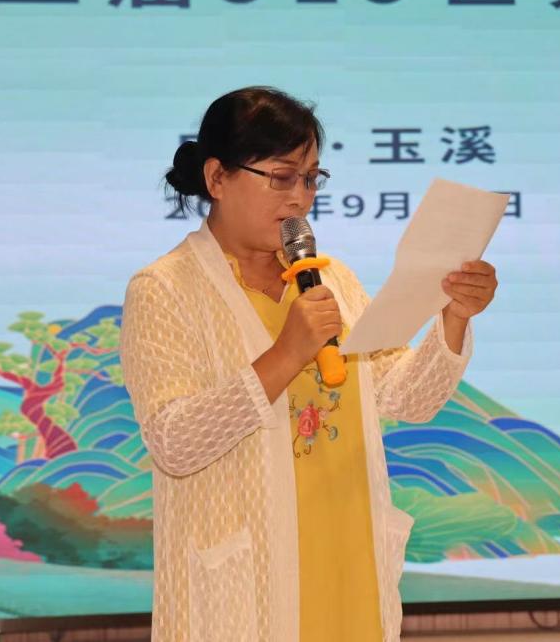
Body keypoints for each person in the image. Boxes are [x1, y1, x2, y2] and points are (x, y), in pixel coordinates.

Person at [119, 87, 498, 642]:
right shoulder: (164, 288)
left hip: (349, 560)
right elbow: (174, 444)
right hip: (247, 586)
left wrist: (455, 316)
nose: (300, 198)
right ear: (218, 177)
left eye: (312, 179)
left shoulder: (330, 278)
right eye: (281, 177)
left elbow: (407, 399)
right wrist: (286, 354)